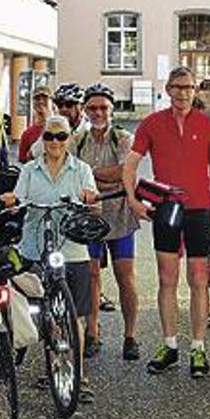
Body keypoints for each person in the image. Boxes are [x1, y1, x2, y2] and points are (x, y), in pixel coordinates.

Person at [122, 65, 210, 378]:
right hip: (166, 210)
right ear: (168, 90)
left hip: (199, 210)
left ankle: (198, 348)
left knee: (199, 280)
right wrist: (133, 200)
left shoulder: (208, 125)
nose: (183, 93)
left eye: (189, 88)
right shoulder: (151, 124)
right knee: (166, 280)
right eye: (177, 87)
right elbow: (130, 165)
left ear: (196, 90)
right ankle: (170, 345)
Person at [2, 115, 99, 401]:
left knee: (75, 316)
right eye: (50, 136)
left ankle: (79, 377)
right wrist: (11, 200)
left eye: (61, 136)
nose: (55, 142)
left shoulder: (81, 169)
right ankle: (52, 367)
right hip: (34, 247)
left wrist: (91, 197)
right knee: (44, 313)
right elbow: (18, 199)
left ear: (69, 139)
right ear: (42, 140)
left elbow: (95, 204)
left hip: (72, 249)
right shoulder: (30, 170)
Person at [74, 83, 141, 360]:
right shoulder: (77, 140)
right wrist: (103, 175)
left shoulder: (123, 137)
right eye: (92, 108)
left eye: (103, 107)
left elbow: (126, 172)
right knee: (91, 276)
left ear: (112, 109)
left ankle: (130, 336)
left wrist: (91, 174)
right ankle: (92, 332)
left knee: (125, 277)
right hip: (90, 218)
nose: (98, 112)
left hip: (121, 216)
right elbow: (74, 176)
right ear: (85, 111)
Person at [17, 85, 52, 164]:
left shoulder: (60, 126)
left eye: (45, 98)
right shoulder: (27, 133)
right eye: (37, 99)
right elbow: (23, 160)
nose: (41, 101)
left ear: (51, 101)